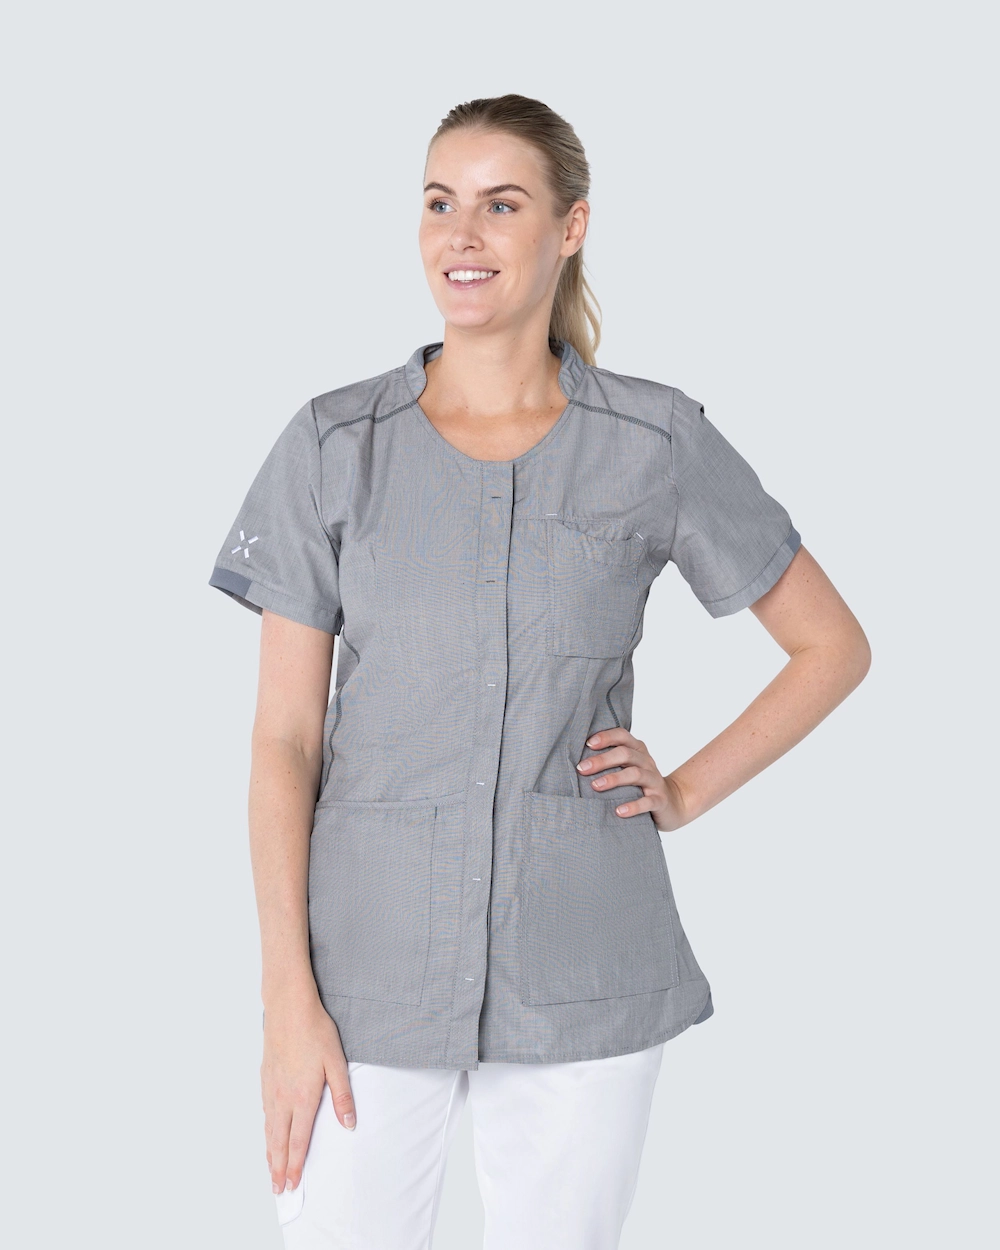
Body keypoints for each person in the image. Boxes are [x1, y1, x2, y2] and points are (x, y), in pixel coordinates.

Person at [208, 94, 871, 1249]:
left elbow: (831, 645)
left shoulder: (654, 441)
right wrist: (284, 998)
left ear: (570, 227)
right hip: (360, 970)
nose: (460, 235)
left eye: (500, 205)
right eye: (438, 203)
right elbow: (285, 738)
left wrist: (685, 788)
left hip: (584, 961)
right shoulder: (331, 444)